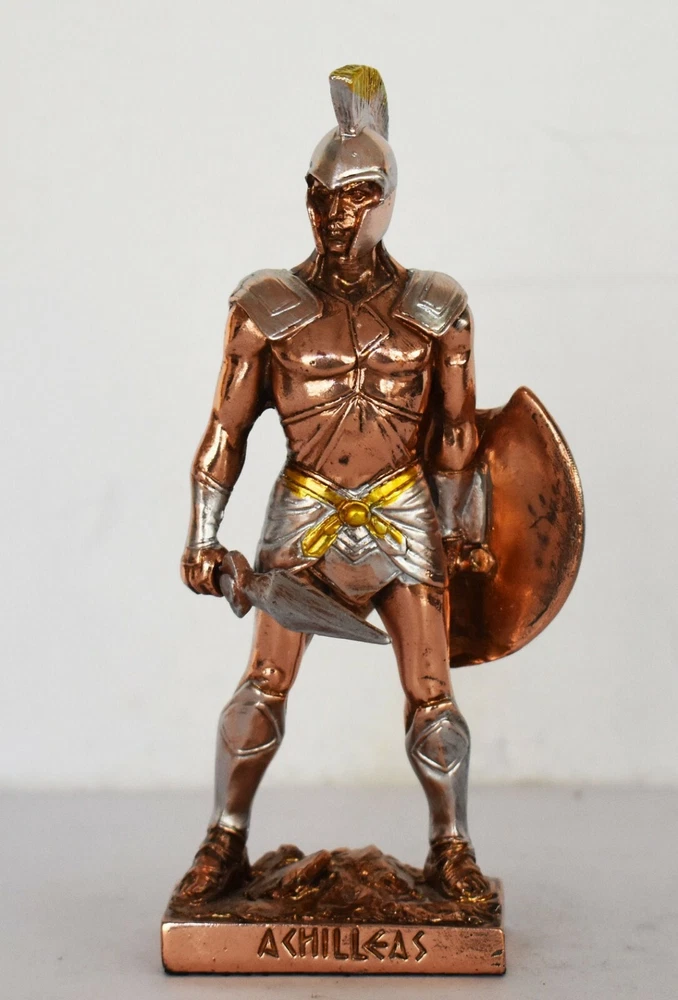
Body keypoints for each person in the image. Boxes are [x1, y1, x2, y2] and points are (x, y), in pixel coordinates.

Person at [172, 65, 496, 911]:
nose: (335, 214)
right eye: (322, 195)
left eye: (355, 196)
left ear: (386, 199)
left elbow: (457, 433)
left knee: (432, 692)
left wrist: (464, 524)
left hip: (401, 506)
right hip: (306, 506)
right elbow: (227, 431)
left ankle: (453, 849)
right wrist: (203, 534)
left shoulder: (438, 307)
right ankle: (224, 840)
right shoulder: (264, 306)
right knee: (263, 683)